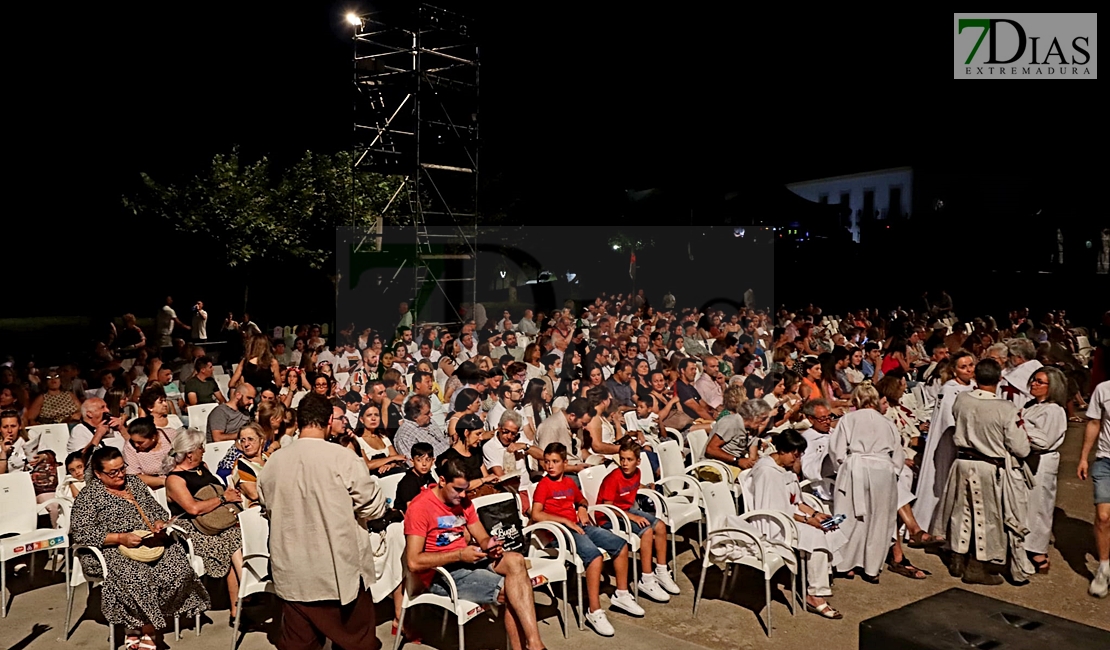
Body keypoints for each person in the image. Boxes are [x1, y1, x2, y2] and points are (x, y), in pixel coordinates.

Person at [258, 392, 387, 650]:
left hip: (293, 572)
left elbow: (266, 506)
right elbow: (373, 507)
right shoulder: (343, 458)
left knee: (300, 644)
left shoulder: (273, 462)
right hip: (337, 572)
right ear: (329, 420)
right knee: (357, 642)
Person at [70, 446, 209, 650]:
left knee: (179, 571)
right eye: (113, 472)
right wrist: (119, 538)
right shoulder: (89, 497)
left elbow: (156, 511)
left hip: (148, 543)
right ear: (98, 474)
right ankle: (147, 629)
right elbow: (82, 533)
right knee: (137, 577)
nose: (120, 475)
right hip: (112, 548)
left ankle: (134, 622)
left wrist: (159, 523)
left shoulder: (134, 483)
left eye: (122, 468)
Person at [403, 457, 547, 650]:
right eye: (458, 489)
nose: (463, 495)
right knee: (513, 590)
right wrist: (459, 555)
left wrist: (492, 545)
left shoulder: (464, 502)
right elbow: (413, 561)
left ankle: (534, 643)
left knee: (516, 560)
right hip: (441, 575)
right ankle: (530, 646)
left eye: (466, 489)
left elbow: (482, 537)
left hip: (468, 560)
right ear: (443, 481)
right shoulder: (420, 508)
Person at [931, 358, 1033, 585]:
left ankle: (957, 557)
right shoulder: (1005, 408)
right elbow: (1020, 447)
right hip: (987, 466)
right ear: (999, 379)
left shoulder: (962, 399)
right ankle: (977, 565)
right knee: (986, 517)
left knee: (961, 511)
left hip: (962, 463)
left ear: (975, 376)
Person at [531, 442, 643, 637]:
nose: (550, 466)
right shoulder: (544, 485)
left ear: (565, 463)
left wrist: (582, 508)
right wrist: (566, 521)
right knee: (594, 557)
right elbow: (536, 514)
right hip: (561, 533)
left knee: (620, 545)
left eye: (555, 462)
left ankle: (622, 594)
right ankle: (594, 611)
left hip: (580, 526)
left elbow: (580, 499)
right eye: (547, 462)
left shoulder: (569, 482)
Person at [743, 430, 846, 619]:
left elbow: (796, 501)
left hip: (789, 516)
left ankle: (820, 578)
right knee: (815, 535)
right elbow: (779, 510)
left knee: (829, 525)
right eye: (795, 454)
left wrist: (816, 514)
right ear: (782, 451)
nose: (797, 459)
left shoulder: (784, 468)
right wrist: (810, 521)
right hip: (773, 524)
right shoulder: (768, 472)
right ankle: (815, 594)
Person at [827, 383, 902, 581]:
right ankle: (872, 567)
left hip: (855, 469)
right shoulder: (887, 423)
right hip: (882, 472)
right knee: (879, 519)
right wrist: (892, 471)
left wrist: (843, 466)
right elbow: (898, 454)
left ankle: (846, 564)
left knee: (849, 517)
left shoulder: (848, 419)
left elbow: (837, 451)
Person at [596, 438, 681, 602]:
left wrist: (646, 487)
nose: (625, 463)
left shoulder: (637, 473)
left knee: (661, 526)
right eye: (622, 459)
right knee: (647, 531)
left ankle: (661, 571)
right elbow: (609, 507)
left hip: (626, 511)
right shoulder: (613, 478)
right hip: (609, 517)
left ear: (638, 461)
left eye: (629, 460)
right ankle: (646, 578)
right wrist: (633, 517)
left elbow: (634, 486)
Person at [914, 350, 976, 537]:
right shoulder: (949, 389)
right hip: (948, 442)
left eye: (971, 365)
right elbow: (948, 420)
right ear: (955, 371)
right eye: (963, 367)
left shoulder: (974, 386)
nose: (968, 370)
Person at [1020, 367, 1068, 574]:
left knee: (1039, 506)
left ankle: (1037, 550)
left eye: (1040, 382)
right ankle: (1021, 545)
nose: (1034, 384)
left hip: (1042, 461)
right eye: (1034, 380)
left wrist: (1021, 430)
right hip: (1025, 460)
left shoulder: (1054, 410)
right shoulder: (1030, 406)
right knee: (1024, 504)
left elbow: (1044, 440)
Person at [1079, 379, 1110, 597]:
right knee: (1104, 516)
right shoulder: (1104, 389)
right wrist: (1083, 458)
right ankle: (1104, 568)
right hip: (1105, 460)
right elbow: (1094, 423)